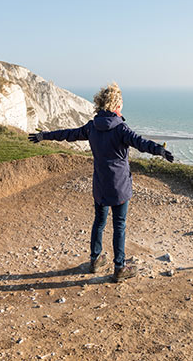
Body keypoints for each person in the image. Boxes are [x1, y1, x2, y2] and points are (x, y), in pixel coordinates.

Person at [28, 83, 174, 282]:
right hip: (120, 187)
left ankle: (95, 260)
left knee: (99, 222)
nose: (122, 106)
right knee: (119, 226)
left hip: (100, 186)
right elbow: (141, 143)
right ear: (115, 105)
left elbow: (68, 134)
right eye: (120, 103)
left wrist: (44, 135)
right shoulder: (121, 128)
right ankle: (119, 269)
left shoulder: (92, 127)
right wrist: (160, 151)